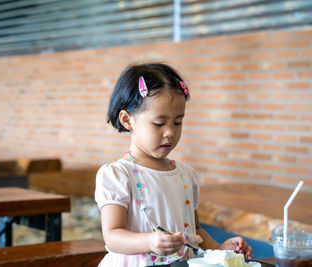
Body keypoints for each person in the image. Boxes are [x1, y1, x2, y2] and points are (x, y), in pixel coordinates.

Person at [95, 63, 252, 266]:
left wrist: (220, 249)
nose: (170, 132)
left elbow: (196, 233)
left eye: (178, 122)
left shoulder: (185, 174)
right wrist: (149, 241)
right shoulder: (118, 175)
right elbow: (112, 235)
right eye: (159, 123)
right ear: (127, 120)